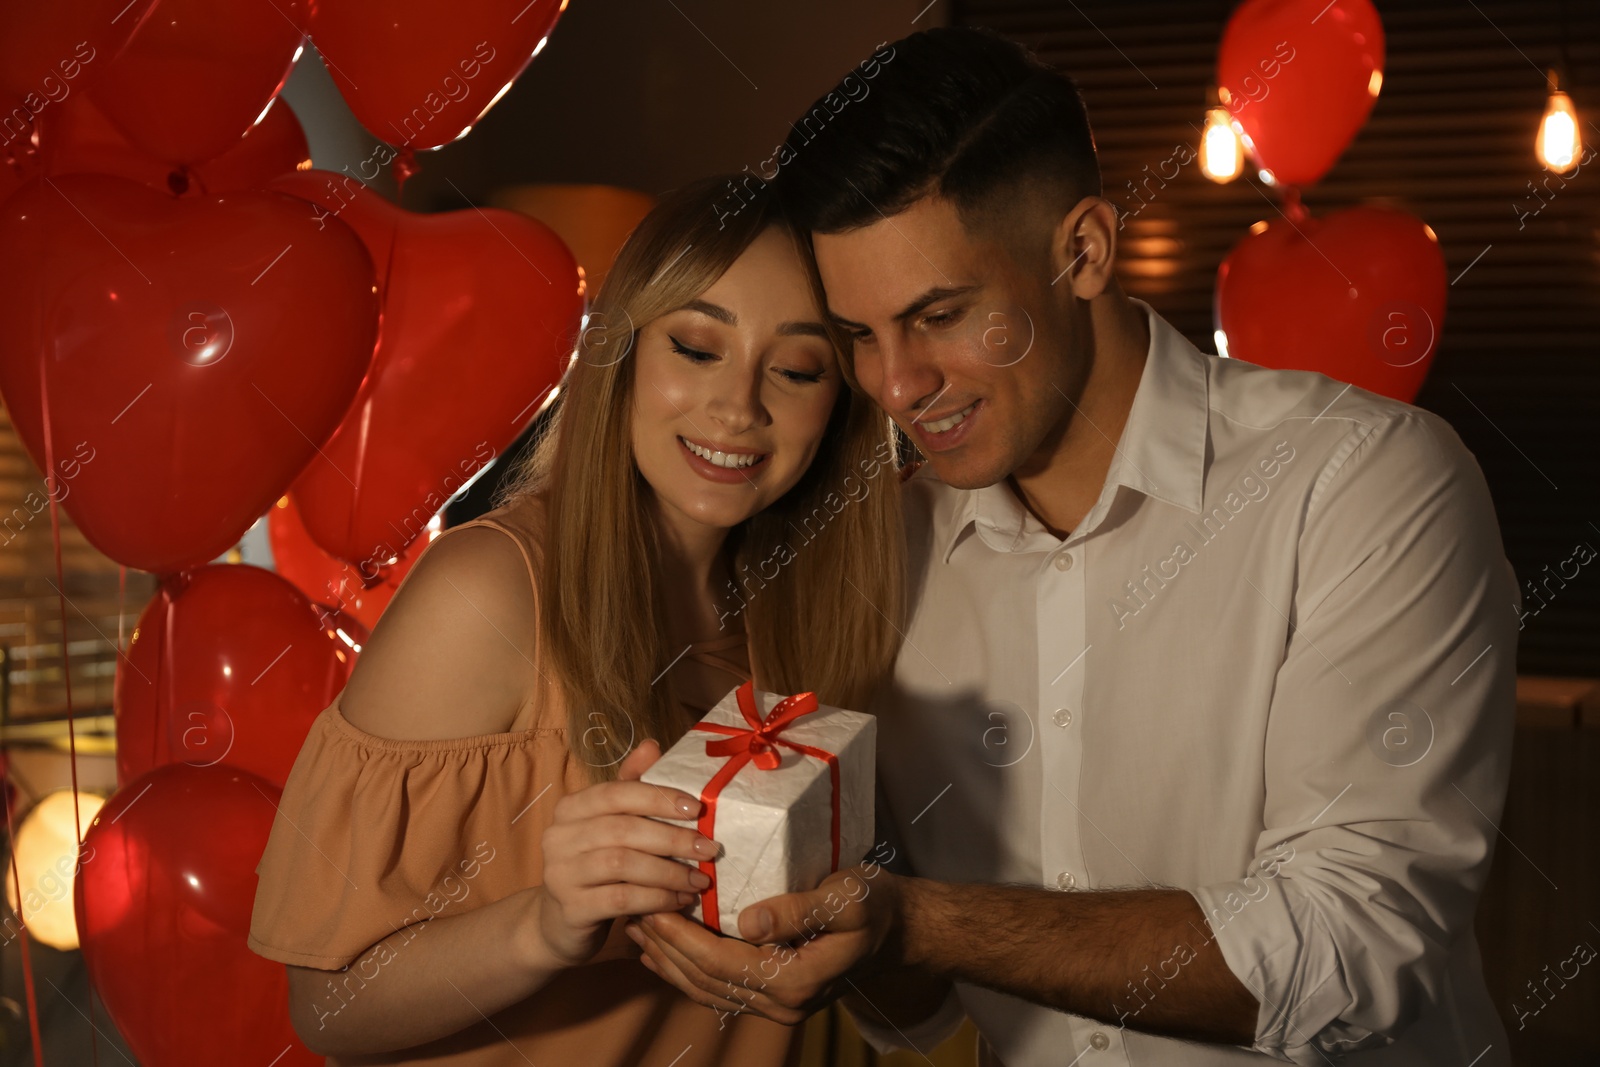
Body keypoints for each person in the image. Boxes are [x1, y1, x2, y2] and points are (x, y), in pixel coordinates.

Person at [628, 26, 1521, 1067]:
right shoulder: (888, 551)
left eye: (941, 314)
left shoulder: (1365, 482)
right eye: (859, 335)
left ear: (1083, 249)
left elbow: (1355, 947)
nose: (896, 385)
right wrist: (799, 907)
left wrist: (919, 918)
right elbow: (912, 1010)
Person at [247, 173, 905, 1066]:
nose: (738, 407)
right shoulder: (489, 592)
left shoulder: (817, 613)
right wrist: (544, 926)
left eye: (794, 368)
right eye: (697, 347)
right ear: (622, 355)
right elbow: (326, 1007)